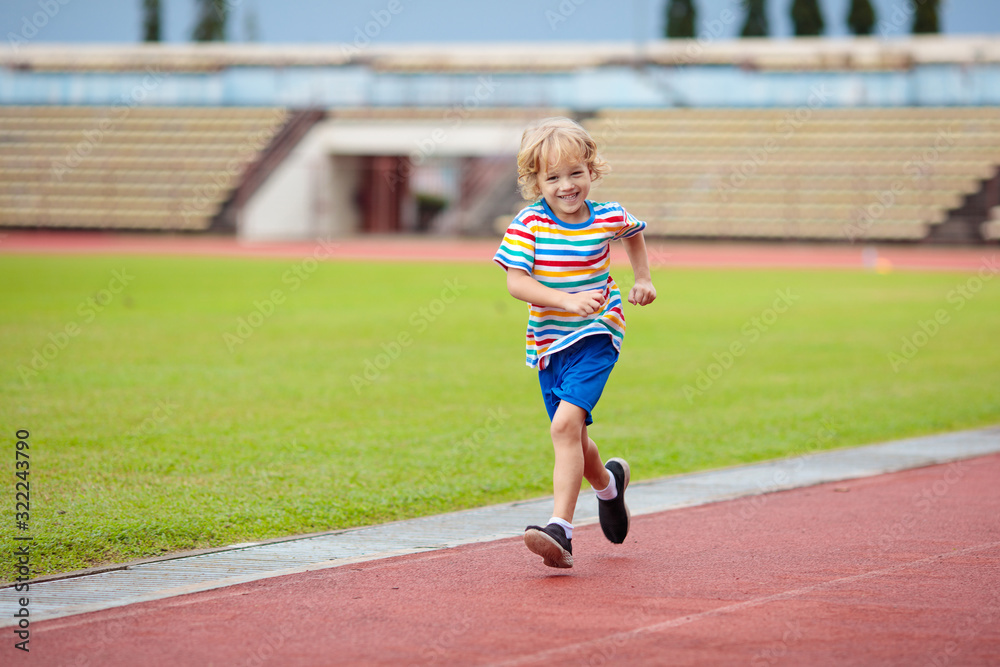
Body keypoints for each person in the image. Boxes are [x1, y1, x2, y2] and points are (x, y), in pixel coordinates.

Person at [493, 117, 656, 569]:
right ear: (535, 181)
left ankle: (560, 530)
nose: (567, 185)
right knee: (574, 437)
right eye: (553, 177)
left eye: (576, 173)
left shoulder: (608, 215)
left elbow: (634, 233)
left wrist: (642, 279)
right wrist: (565, 300)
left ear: (592, 170)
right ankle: (609, 486)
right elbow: (517, 283)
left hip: (599, 332)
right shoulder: (529, 224)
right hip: (549, 344)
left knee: (564, 428)